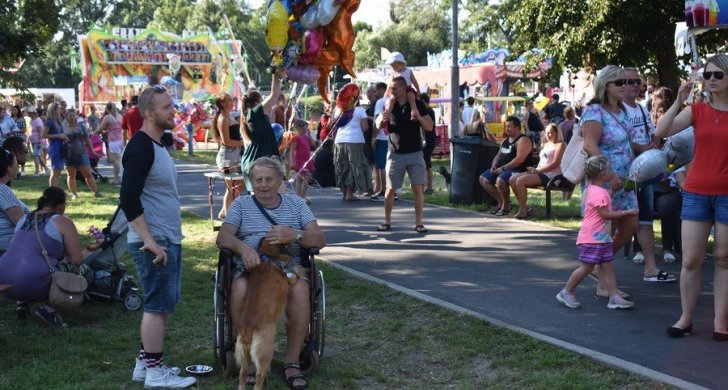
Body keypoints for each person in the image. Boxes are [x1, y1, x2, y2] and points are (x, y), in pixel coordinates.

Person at [216, 156, 326, 389]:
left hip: (289, 269)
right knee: (239, 287)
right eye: (258, 180)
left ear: (280, 181)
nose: (263, 185)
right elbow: (223, 237)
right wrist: (243, 247)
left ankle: (292, 361)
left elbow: (319, 239)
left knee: (300, 290)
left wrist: (294, 235)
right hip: (251, 271)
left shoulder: (296, 204)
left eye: (269, 179)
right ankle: (249, 356)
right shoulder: (241, 205)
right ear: (251, 182)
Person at [119, 85, 196, 388]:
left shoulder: (158, 144)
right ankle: (155, 372)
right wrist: (149, 241)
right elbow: (128, 199)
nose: (172, 111)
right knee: (155, 306)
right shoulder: (140, 146)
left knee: (163, 304)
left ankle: (144, 364)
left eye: (172, 105)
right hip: (153, 242)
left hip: (165, 237)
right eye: (166, 107)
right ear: (149, 113)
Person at [657, 54, 728, 340]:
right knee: (690, 260)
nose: (711, 80)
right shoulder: (697, 110)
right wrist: (678, 101)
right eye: (707, 75)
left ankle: (720, 322)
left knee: (724, 259)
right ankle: (685, 318)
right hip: (697, 192)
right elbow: (661, 132)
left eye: (717, 75)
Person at [582, 65, 639, 298]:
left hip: (625, 181)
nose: (625, 86)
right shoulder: (595, 111)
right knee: (604, 231)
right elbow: (589, 145)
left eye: (626, 82)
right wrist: (610, 174)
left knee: (631, 225)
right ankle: (605, 285)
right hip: (604, 182)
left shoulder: (623, 111)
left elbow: (627, 142)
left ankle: (598, 267)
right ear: (606, 86)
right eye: (620, 83)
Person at [0, 187, 93, 328]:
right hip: (29, 282)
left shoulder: (24, 218)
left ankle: (22, 302)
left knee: (36, 269)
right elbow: (76, 260)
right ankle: (49, 309)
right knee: (85, 271)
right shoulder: (63, 221)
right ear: (61, 205)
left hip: (5, 279)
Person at [555, 156, 637, 310]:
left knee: (608, 267)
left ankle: (614, 297)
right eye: (610, 169)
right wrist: (625, 213)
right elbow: (605, 214)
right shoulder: (599, 192)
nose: (612, 172)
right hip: (592, 238)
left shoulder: (594, 189)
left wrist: (612, 191)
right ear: (602, 174)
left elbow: (603, 205)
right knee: (586, 268)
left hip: (601, 237)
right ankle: (566, 292)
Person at [622, 68, 676, 285]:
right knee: (619, 224)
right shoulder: (616, 110)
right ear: (620, 84)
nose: (636, 85)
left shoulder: (643, 111)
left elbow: (652, 135)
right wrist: (643, 148)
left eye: (638, 81)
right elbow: (618, 139)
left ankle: (651, 268)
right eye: (630, 81)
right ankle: (596, 268)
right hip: (624, 174)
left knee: (644, 221)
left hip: (643, 175)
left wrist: (653, 147)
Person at [377, 76, 433, 233]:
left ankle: (419, 222)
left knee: (417, 188)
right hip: (395, 153)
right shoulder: (388, 104)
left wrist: (419, 117)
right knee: (390, 189)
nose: (391, 91)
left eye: (394, 89)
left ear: (403, 89)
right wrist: (384, 117)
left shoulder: (418, 104)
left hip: (415, 152)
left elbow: (429, 127)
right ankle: (387, 221)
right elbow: (377, 125)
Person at [509, 124, 566, 219]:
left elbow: (555, 164)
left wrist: (537, 170)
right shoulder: (546, 144)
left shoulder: (560, 145)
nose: (548, 135)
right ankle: (525, 207)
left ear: (557, 133)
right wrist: (535, 170)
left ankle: (523, 211)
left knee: (520, 181)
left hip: (551, 175)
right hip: (539, 171)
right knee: (512, 179)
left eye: (551, 132)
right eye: (546, 132)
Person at [479, 116, 533, 216]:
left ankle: (506, 206)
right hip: (501, 169)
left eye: (509, 126)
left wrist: (503, 168)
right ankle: (503, 203)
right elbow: (498, 155)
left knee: (500, 180)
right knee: (483, 179)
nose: (506, 128)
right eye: (506, 126)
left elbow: (519, 160)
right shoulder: (505, 141)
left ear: (517, 127)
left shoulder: (523, 140)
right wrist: (494, 165)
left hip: (517, 170)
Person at [240, 72, 283, 191]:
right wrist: (275, 73)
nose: (264, 101)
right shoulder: (254, 113)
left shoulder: (255, 117)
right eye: (261, 100)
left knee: (274, 200)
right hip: (259, 164)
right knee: (268, 201)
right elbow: (274, 95)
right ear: (255, 104)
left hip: (261, 162)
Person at [332, 86, 371, 201]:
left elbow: (332, 124)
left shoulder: (338, 109)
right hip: (354, 140)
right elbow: (364, 128)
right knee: (353, 165)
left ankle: (344, 193)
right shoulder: (360, 111)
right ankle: (350, 193)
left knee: (341, 165)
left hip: (339, 140)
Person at [212, 93, 245, 220]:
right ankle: (229, 216)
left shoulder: (230, 116)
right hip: (227, 157)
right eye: (229, 101)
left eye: (232, 100)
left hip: (235, 155)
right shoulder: (223, 119)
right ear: (222, 104)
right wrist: (243, 143)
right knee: (232, 187)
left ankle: (224, 212)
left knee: (236, 186)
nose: (232, 102)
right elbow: (226, 141)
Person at [62, 109, 103, 199]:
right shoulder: (63, 128)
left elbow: (87, 139)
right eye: (70, 115)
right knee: (71, 175)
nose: (72, 117)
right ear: (66, 117)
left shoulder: (82, 127)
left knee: (88, 173)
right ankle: (74, 194)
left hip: (82, 153)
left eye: (73, 115)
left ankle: (96, 192)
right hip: (68, 154)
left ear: (76, 116)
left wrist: (92, 150)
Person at [0, 148, 29, 255]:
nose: (18, 167)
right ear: (9, 169)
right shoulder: (2, 190)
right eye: (16, 164)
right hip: (9, 251)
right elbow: (23, 223)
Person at [384, 52, 421, 121]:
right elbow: (390, 83)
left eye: (394, 66)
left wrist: (418, 90)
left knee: (411, 97)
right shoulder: (394, 73)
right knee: (391, 100)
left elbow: (414, 81)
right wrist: (387, 92)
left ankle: (414, 112)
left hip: (408, 89)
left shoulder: (408, 71)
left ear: (400, 63)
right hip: (397, 91)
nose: (393, 68)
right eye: (392, 67)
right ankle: (387, 114)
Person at [97, 102, 124, 184]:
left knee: (115, 161)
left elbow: (100, 129)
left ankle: (117, 179)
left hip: (113, 140)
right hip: (120, 139)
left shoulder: (108, 117)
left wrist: (93, 133)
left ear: (107, 109)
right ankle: (120, 177)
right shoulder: (120, 116)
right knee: (120, 160)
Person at [42, 102, 68, 188]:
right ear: (53, 110)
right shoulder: (49, 121)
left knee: (58, 170)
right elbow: (43, 135)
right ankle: (52, 190)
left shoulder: (58, 120)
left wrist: (64, 137)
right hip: (55, 147)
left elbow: (60, 133)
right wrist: (58, 136)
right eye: (58, 109)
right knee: (55, 170)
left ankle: (55, 189)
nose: (60, 110)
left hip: (60, 146)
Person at [370, 82, 389, 201]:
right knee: (387, 165)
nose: (374, 93)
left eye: (375, 91)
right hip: (391, 137)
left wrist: (374, 137)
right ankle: (390, 190)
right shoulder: (392, 101)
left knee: (381, 165)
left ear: (382, 90)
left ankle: (383, 190)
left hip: (381, 137)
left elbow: (378, 121)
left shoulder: (380, 102)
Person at [289, 119, 315, 203]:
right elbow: (292, 151)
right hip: (299, 161)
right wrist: (292, 162)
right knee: (300, 179)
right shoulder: (295, 138)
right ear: (298, 128)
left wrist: (310, 134)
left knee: (308, 178)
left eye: (305, 127)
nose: (305, 129)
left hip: (307, 160)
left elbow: (313, 144)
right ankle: (299, 197)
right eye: (303, 127)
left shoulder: (306, 137)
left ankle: (302, 196)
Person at [419, 93, 437, 195]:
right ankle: (426, 186)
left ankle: (429, 187)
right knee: (425, 164)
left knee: (427, 164)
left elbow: (429, 125)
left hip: (429, 140)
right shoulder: (426, 111)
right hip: (426, 140)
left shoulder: (429, 111)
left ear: (424, 101)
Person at [26, 106, 48, 175]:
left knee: (36, 156)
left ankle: (37, 172)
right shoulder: (32, 120)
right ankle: (46, 169)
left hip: (38, 141)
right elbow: (30, 130)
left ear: (33, 113)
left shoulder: (38, 121)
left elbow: (40, 132)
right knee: (38, 155)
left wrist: (39, 142)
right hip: (34, 141)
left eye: (29, 113)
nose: (28, 114)